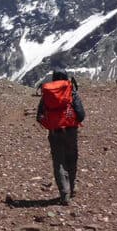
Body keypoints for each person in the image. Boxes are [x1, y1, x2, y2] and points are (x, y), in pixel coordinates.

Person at [36, 69, 86, 205]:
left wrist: (50, 125)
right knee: (72, 159)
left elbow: (39, 116)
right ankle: (72, 188)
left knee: (59, 162)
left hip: (55, 132)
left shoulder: (47, 94)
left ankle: (64, 194)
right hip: (70, 131)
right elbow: (81, 114)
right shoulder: (71, 91)